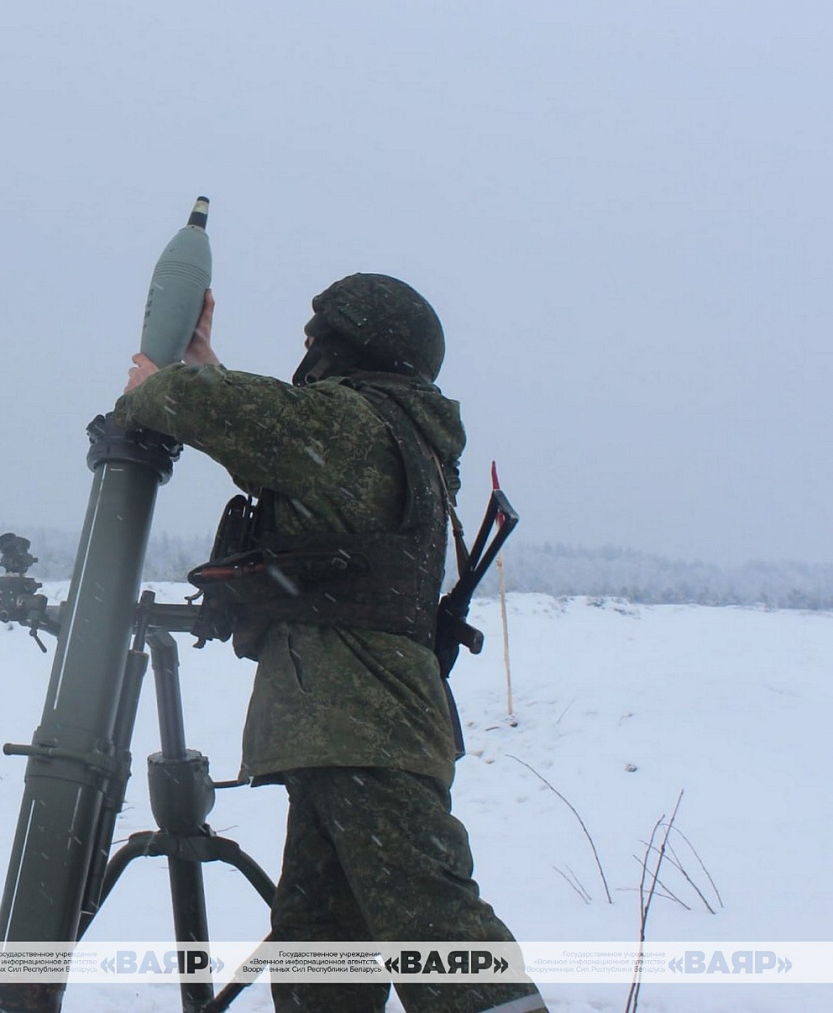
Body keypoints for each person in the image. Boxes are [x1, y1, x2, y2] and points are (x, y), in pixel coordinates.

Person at [113, 274, 546, 1013]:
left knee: (436, 925)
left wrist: (161, 386)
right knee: (322, 943)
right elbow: (276, 441)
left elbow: (245, 419)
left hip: (363, 725)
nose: (308, 348)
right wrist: (204, 363)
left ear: (356, 346)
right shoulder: (384, 434)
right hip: (348, 730)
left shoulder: (356, 425)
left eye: (319, 337)